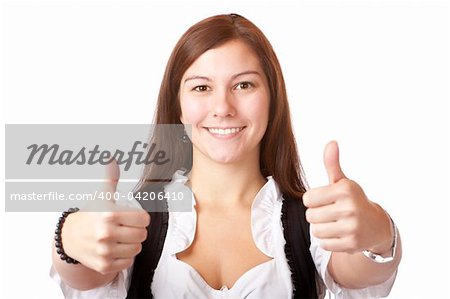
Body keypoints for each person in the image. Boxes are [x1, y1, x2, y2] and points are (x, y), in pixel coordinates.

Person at [50, 13, 402, 298]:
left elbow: (357, 272)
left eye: (244, 85)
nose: (223, 107)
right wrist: (69, 237)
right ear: (178, 105)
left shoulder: (311, 222)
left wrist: (378, 233)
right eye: (202, 87)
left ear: (272, 98)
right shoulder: (137, 219)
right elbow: (86, 276)